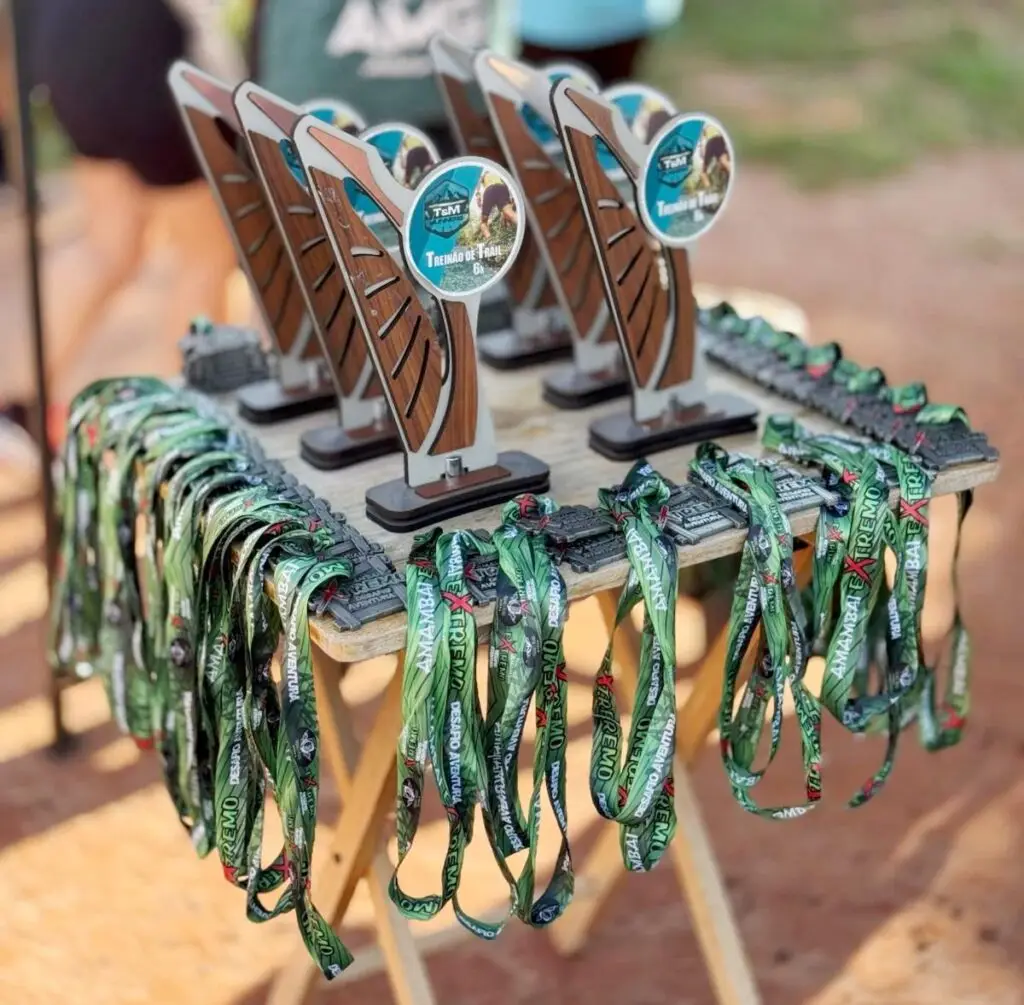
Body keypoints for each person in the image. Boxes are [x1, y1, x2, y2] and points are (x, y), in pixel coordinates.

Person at [24, 0, 245, 425]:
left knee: (108, 242)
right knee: (208, 252)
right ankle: (194, 427)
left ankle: (22, 411)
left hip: (66, 48)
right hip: (143, 57)